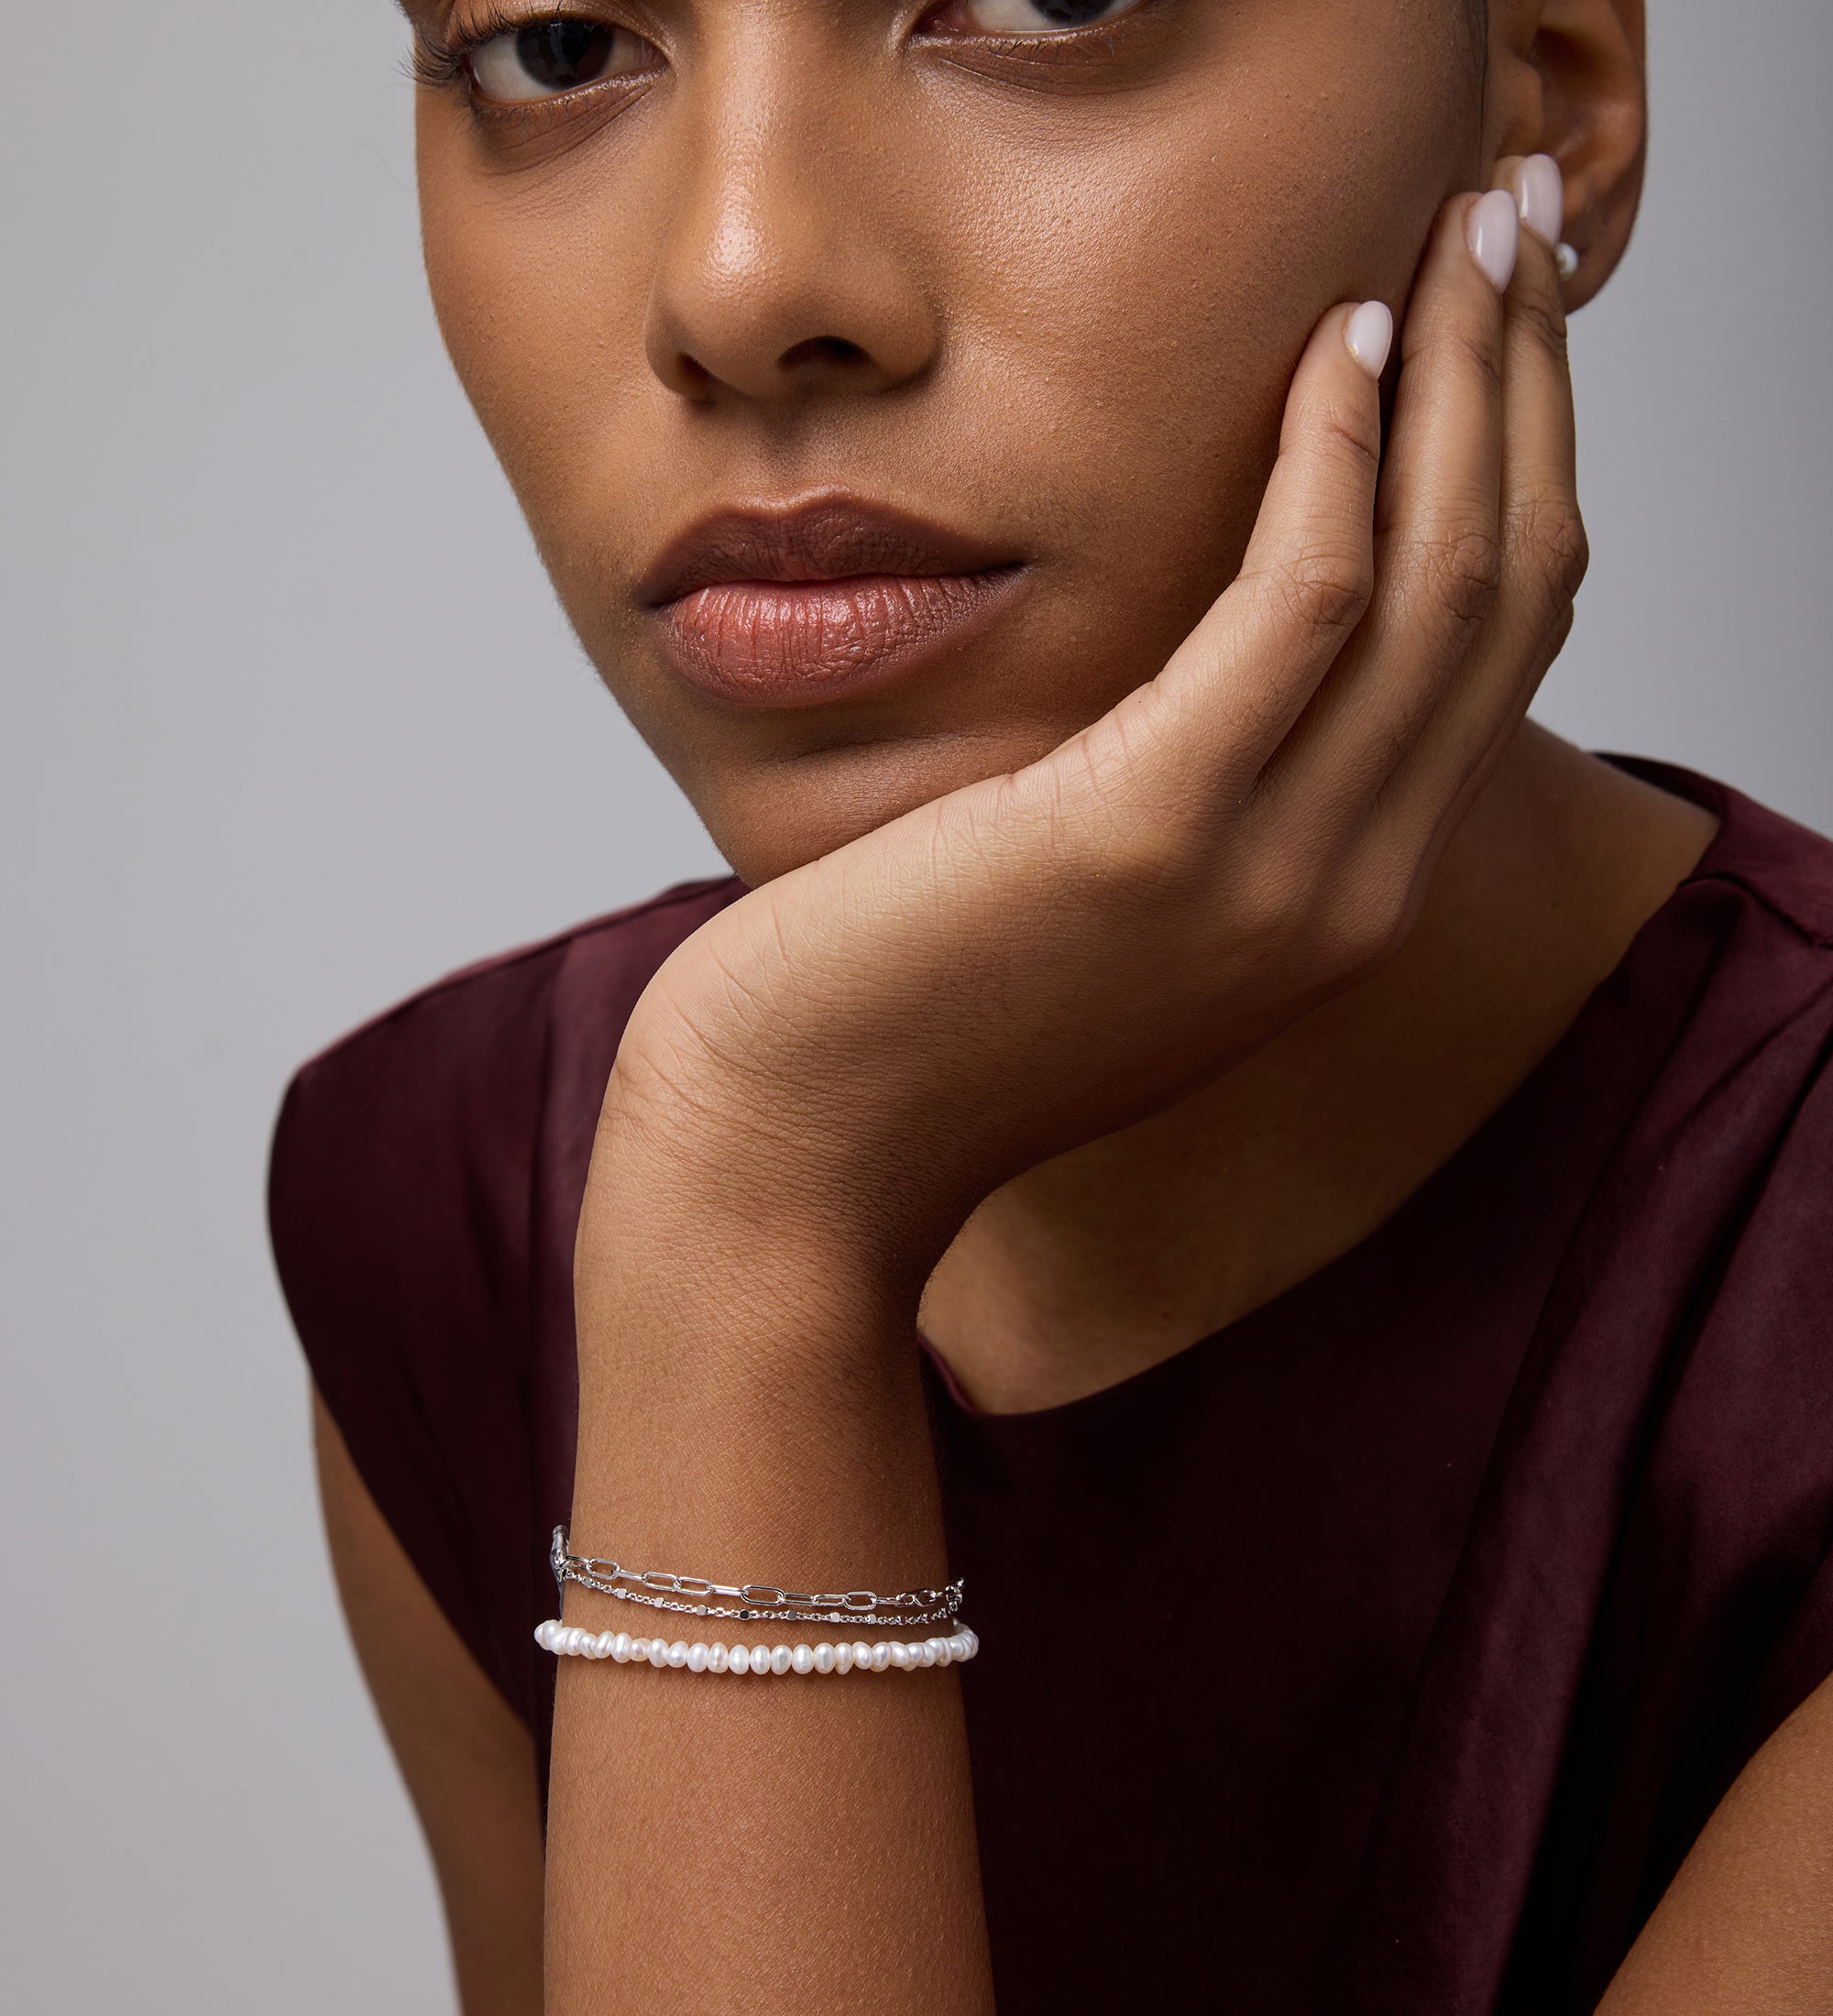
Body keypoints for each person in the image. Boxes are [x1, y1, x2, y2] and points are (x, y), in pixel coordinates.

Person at [269, 0, 1833, 2008]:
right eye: (555, 46)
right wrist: (750, 1221)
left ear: (1557, 81)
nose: (738, 281)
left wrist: (757, 1201)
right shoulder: (454, 1200)